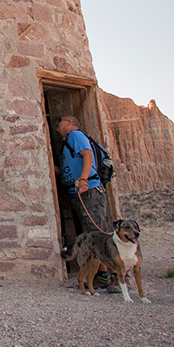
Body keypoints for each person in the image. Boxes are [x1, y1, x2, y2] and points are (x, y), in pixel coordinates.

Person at [55, 114, 120, 293]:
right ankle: (99, 273)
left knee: (95, 230)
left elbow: (87, 155)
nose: (57, 124)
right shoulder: (68, 142)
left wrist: (83, 179)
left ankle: (105, 276)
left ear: (70, 123)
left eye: (60, 121)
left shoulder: (76, 136)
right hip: (78, 192)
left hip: (88, 189)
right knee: (89, 229)